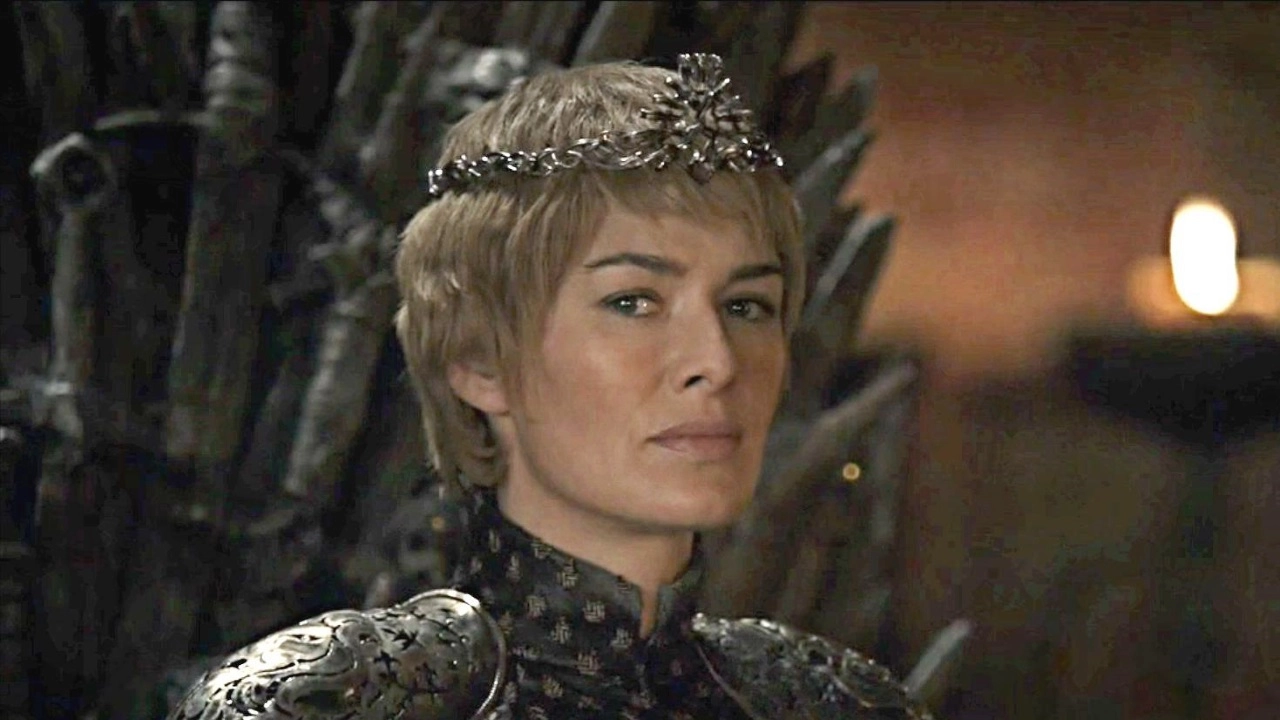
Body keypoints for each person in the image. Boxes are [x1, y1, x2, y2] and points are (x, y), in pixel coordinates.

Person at [169, 54, 932, 720]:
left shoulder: (833, 705)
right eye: (633, 301)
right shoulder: (326, 703)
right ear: (479, 361)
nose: (719, 361)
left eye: (747, 306)